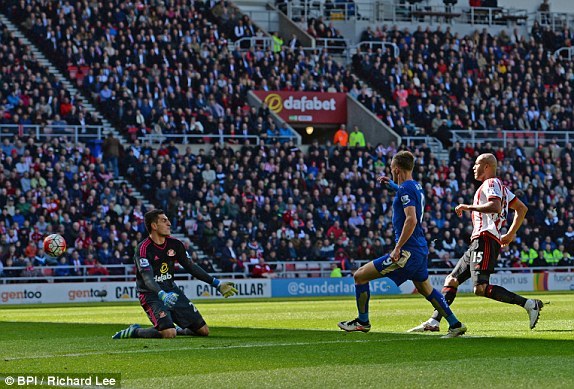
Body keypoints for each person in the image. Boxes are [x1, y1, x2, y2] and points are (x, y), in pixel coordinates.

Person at [408, 153, 543, 333]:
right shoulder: (501, 187)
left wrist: (467, 207)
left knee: (480, 288)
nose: (473, 167)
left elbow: (495, 206)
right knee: (452, 279)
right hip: (480, 239)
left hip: (485, 238)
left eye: (477, 164)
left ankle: (529, 304)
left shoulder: (491, 183)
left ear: (486, 166)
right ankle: (434, 321)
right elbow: (522, 208)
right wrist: (510, 234)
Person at [338, 151, 467, 338]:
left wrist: (397, 248)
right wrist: (391, 185)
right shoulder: (416, 186)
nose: (391, 173)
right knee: (425, 288)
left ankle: (362, 321)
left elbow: (411, 220)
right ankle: (455, 324)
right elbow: (406, 195)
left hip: (407, 251)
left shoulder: (406, 188)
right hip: (420, 248)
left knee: (360, 276)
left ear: (397, 170)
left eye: (392, 170)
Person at [112, 209, 238, 339]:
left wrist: (216, 284)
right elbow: (147, 278)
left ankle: (179, 329)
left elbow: (190, 266)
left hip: (172, 290)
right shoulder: (143, 249)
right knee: (168, 333)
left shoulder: (175, 244)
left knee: (203, 331)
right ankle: (135, 331)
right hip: (152, 294)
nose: (169, 223)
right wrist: (161, 294)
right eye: (164, 220)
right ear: (154, 226)